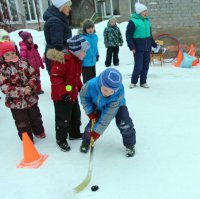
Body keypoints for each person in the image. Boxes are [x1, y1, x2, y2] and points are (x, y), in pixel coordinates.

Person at [79, 68, 136, 157]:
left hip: (117, 106)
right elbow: (83, 97)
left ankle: (130, 145)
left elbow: (107, 117)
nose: (108, 94)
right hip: (98, 105)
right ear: (101, 83)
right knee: (93, 125)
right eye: (105, 90)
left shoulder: (118, 93)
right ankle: (86, 141)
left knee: (125, 123)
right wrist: (90, 112)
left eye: (111, 91)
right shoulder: (90, 85)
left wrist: (97, 133)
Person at [46, 35, 89, 152]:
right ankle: (61, 139)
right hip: (61, 97)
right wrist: (63, 93)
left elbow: (76, 78)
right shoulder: (64, 60)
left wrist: (82, 89)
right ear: (76, 51)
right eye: (83, 51)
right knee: (63, 119)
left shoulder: (76, 61)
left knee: (76, 116)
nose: (85, 54)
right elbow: (55, 77)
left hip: (72, 94)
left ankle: (74, 133)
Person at [0, 41, 46, 142]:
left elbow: (34, 75)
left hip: (31, 98)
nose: (11, 55)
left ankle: (39, 131)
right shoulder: (3, 69)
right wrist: (21, 90)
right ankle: (27, 139)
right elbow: (4, 87)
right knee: (22, 122)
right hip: (16, 103)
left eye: (12, 53)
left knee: (36, 117)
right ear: (2, 56)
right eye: (7, 54)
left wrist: (30, 85)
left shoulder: (24, 62)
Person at [126, 2, 158, 89]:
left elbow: (149, 35)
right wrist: (131, 46)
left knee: (145, 66)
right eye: (144, 11)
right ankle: (133, 81)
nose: (146, 13)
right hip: (138, 48)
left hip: (147, 48)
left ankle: (143, 82)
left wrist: (154, 45)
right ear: (139, 12)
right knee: (138, 66)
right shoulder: (133, 21)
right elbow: (128, 35)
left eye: (146, 11)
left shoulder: (147, 21)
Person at [43, 0, 72, 74]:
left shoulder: (58, 19)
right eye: (68, 6)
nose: (70, 9)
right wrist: (68, 57)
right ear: (61, 7)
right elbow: (57, 45)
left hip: (57, 57)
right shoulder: (55, 22)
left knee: (66, 84)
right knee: (62, 83)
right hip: (57, 59)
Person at [80, 19, 99, 84]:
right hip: (85, 62)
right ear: (85, 29)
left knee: (93, 78)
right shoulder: (82, 38)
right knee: (87, 80)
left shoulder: (95, 37)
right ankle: (86, 92)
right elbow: (79, 49)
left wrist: (97, 54)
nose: (90, 30)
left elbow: (95, 47)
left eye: (92, 27)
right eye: (88, 28)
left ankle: (92, 90)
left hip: (93, 62)